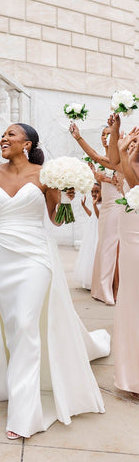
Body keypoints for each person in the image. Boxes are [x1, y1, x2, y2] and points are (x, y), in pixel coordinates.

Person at [0, 123, 110, 440]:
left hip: (35, 256)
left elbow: (57, 220)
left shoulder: (46, 174)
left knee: (25, 324)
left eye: (10, 134)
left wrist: (65, 198)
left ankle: (24, 412)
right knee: (11, 324)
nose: (3, 138)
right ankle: (9, 378)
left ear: (27, 143)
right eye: (2, 135)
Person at [70, 123, 122, 305]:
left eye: (109, 134)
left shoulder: (121, 158)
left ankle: (114, 288)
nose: (104, 137)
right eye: (102, 134)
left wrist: (105, 178)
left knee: (114, 247)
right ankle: (104, 287)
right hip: (106, 208)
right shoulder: (104, 159)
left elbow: (124, 182)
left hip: (118, 206)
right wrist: (77, 137)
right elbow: (93, 155)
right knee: (106, 246)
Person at [108, 118, 139, 400]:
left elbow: (134, 181)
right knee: (132, 299)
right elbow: (113, 162)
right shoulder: (129, 158)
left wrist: (126, 152)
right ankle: (134, 376)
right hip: (131, 234)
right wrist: (118, 139)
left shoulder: (133, 162)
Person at [74, 183, 101, 290]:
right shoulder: (95, 203)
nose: (94, 194)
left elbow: (99, 216)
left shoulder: (103, 203)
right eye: (92, 192)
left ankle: (96, 280)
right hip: (91, 232)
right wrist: (84, 206)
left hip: (97, 232)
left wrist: (94, 205)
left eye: (97, 191)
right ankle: (88, 279)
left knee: (95, 252)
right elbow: (92, 215)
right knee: (89, 252)